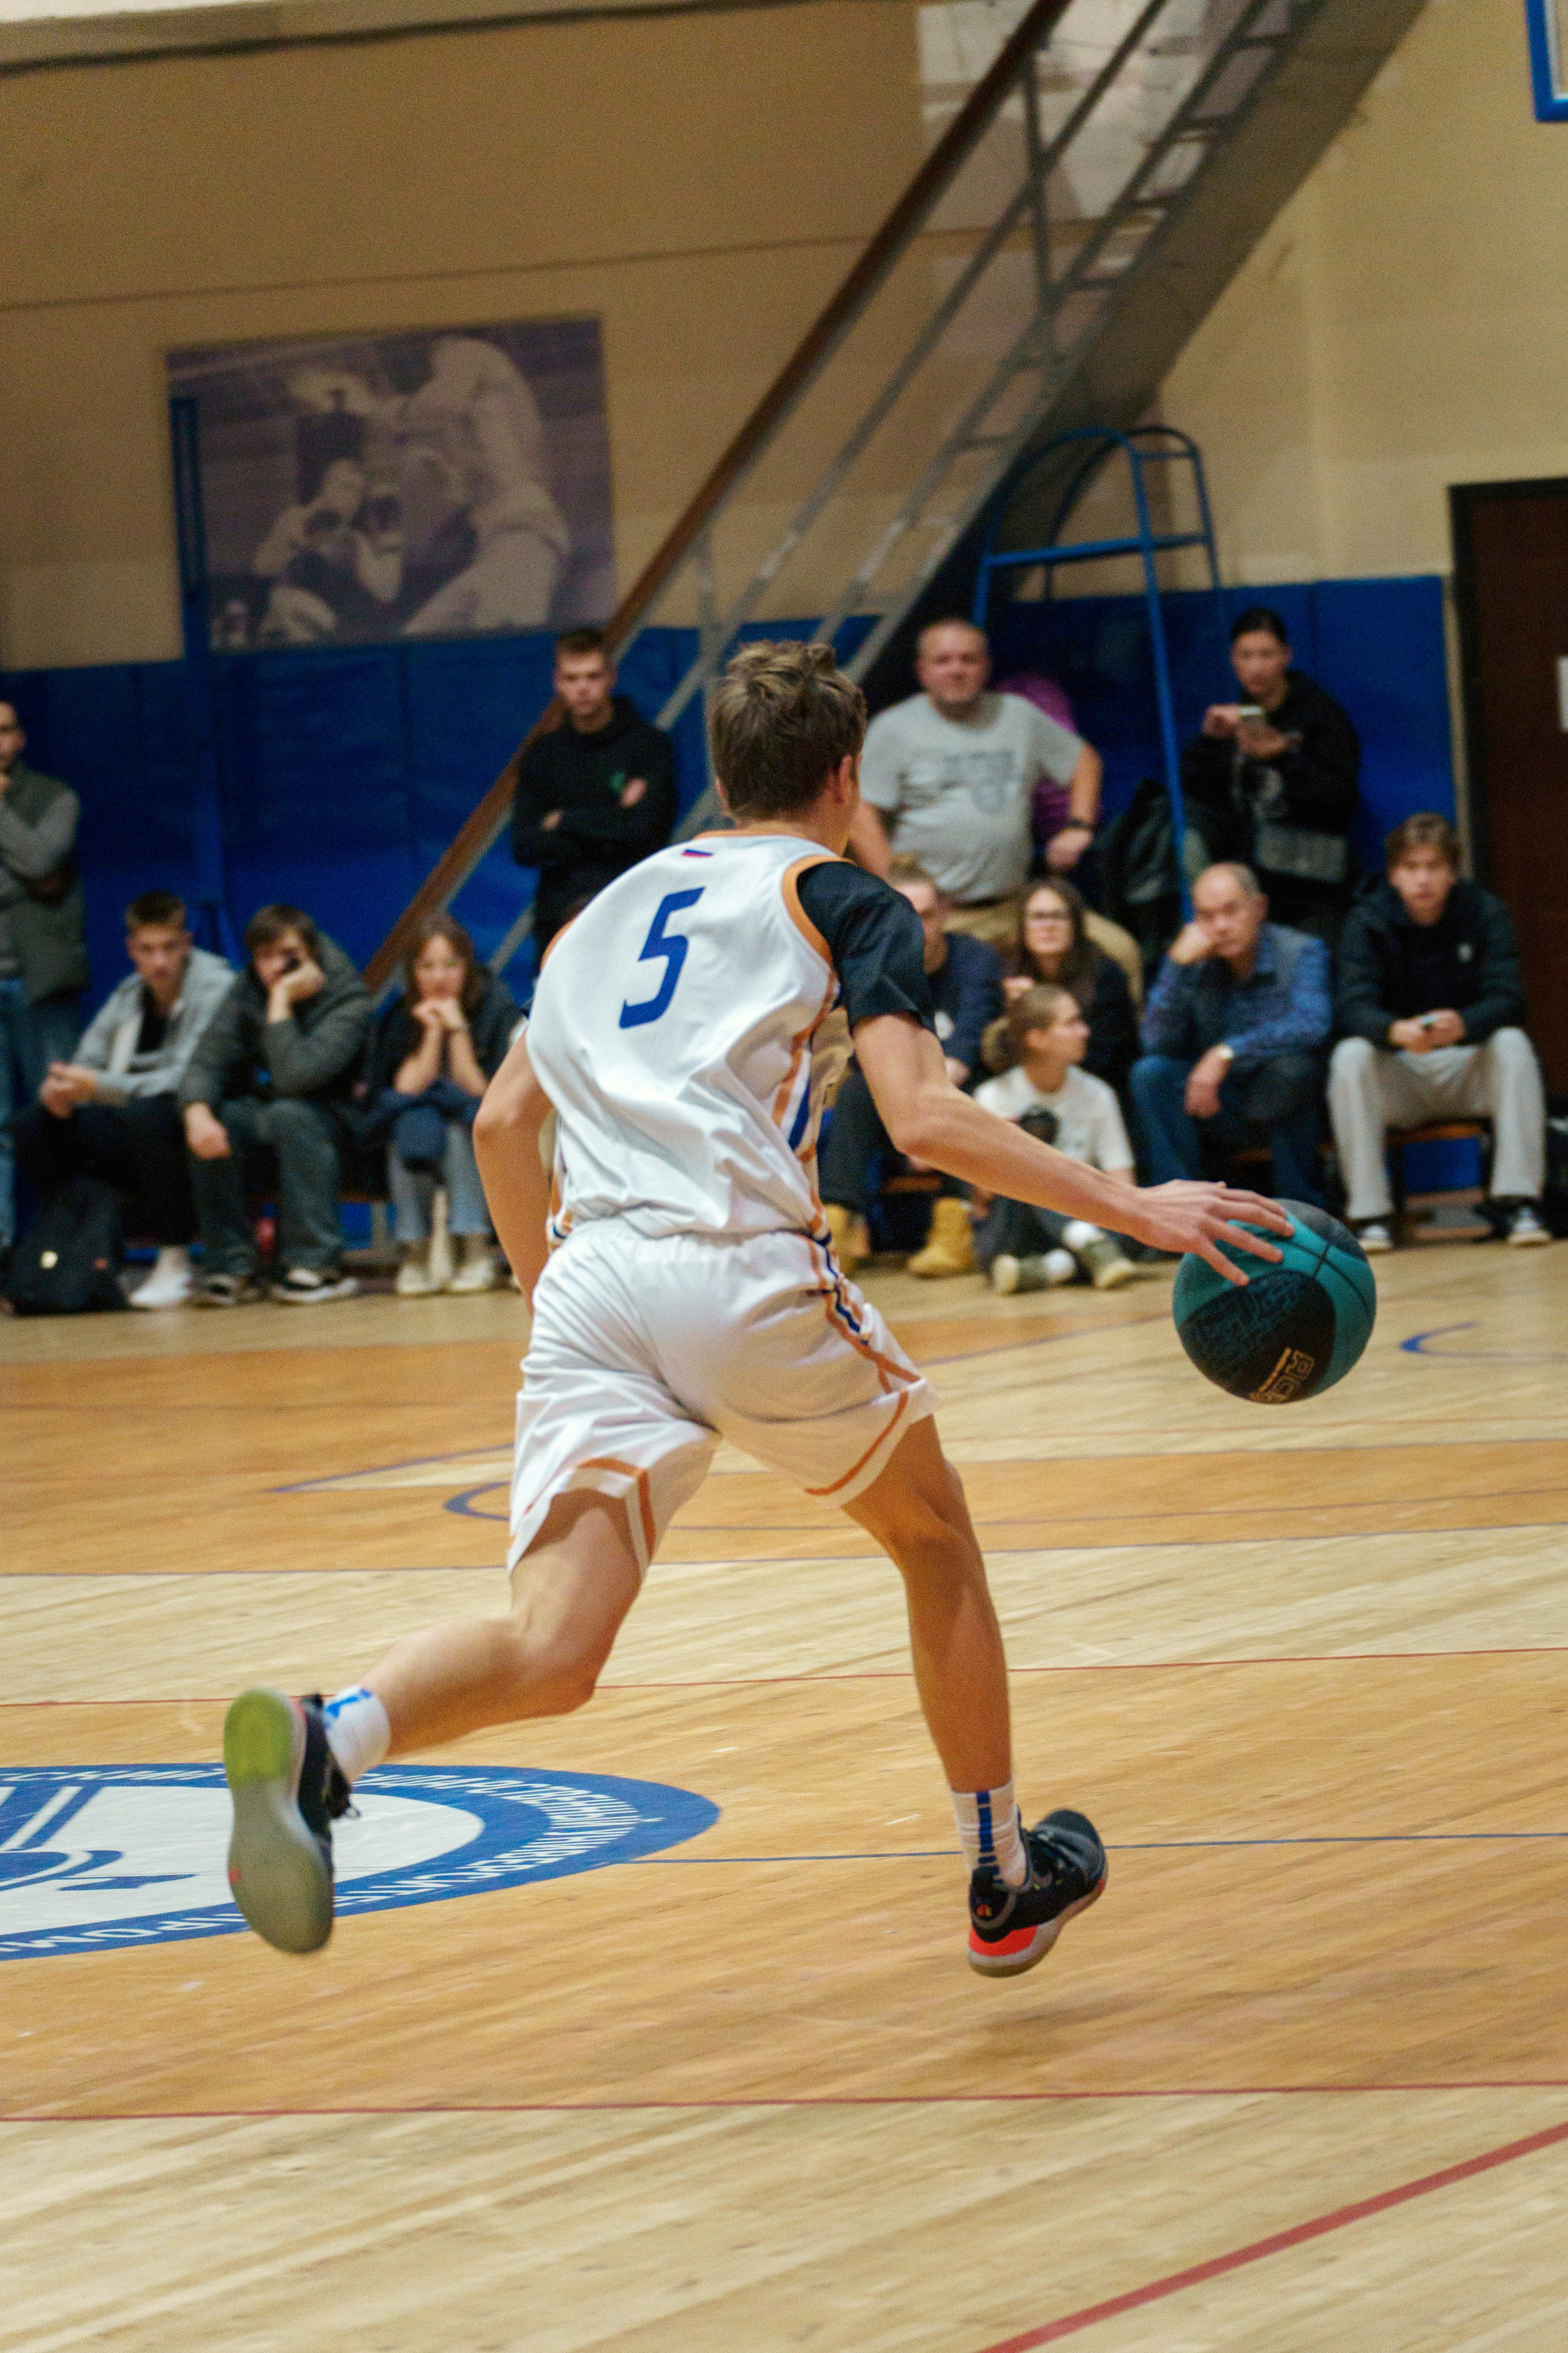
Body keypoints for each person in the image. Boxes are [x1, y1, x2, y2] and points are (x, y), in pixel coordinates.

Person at [219, 636, 1287, 1977]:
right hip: (734, 1263)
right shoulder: (849, 899)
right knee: (935, 1538)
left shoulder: (596, 914)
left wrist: (566, 1308)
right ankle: (1004, 1876)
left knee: (553, 1648)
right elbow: (923, 1119)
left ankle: (337, 1740)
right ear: (845, 776)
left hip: (592, 1278)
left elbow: (501, 1127)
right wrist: (1136, 1206)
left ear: (722, 777)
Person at [1329, 813, 1551, 1252]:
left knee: (1512, 1043)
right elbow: (1351, 1006)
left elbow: (1510, 998)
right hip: (1400, 1070)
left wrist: (1465, 1024)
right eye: (1412, 867)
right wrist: (1393, 1030)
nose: (1423, 879)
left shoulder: (1485, 913)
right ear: (1393, 874)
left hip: (1464, 1065)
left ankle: (1518, 1202)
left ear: (1452, 871)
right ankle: (1371, 1214)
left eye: (1434, 866)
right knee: (1350, 1056)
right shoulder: (1367, 921)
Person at [13, 892, 233, 1309]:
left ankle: (175, 1259)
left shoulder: (216, 985)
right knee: (34, 1125)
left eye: (170, 947)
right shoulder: (129, 993)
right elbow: (86, 1062)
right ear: (131, 949)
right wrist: (60, 1091)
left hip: (199, 1116)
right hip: (131, 1122)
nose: (159, 962)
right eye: (147, 950)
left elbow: (186, 1077)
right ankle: (78, 1250)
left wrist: (98, 1086)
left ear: (187, 943)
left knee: (149, 1114)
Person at [847, 619, 1102, 946]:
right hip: (939, 917)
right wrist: (897, 890)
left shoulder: (1018, 716)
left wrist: (1080, 825)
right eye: (943, 661)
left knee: (1118, 950)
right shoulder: (893, 728)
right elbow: (860, 812)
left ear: (986, 667)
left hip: (1016, 906)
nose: (956, 670)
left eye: (968, 659)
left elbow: (1085, 760)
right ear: (923, 671)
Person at [820, 856, 1003, 1278]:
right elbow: (864, 1055)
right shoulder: (870, 969)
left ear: (944, 914)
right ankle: (839, 1223)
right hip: (894, 1103)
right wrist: (908, 1113)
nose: (915, 927)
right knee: (856, 1091)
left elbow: (968, 1040)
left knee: (967, 1086)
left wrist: (923, 1115)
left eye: (924, 915)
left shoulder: (976, 960)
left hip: (956, 1093)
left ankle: (954, 1229)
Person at [181, 904, 371, 1305]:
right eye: (263, 956)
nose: (273, 967)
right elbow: (207, 1058)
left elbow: (295, 1078)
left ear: (312, 953)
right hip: (274, 1112)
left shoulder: (347, 998)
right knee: (221, 1118)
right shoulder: (248, 987)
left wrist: (281, 1000)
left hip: (342, 1120)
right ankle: (229, 1264)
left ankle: (316, 1264)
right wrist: (197, 1111)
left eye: (285, 954)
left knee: (292, 1114)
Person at [1131, 862, 1332, 1206]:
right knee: (1151, 1075)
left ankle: (1301, 1212)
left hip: (1288, 1100)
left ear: (1259, 908)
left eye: (1230, 911)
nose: (1220, 927)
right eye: (1206, 917)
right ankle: (1183, 1211)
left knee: (1292, 1072)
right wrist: (1176, 967)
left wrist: (1226, 1052)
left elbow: (1311, 1025)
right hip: (1218, 1102)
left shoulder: (1301, 951)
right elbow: (1155, 1042)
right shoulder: (1194, 961)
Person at [1180, 606, 1360, 942]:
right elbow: (1201, 794)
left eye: (1267, 655)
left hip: (1315, 878)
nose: (1257, 667)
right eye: (1246, 656)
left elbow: (1340, 802)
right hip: (1259, 876)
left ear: (1286, 657)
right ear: (1233, 660)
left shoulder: (1319, 713)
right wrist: (1207, 743)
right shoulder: (1244, 712)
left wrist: (1284, 754)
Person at [364, 915, 520, 1294]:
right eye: (427, 966)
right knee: (411, 1128)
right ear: (412, 972)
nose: (439, 977)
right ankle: (414, 1252)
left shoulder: (496, 1006)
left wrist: (458, 1030)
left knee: (457, 1132)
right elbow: (404, 1092)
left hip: (480, 1128)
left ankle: (474, 1248)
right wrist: (433, 1033)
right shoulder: (400, 1017)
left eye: (451, 964)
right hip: (418, 1129)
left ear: (468, 965)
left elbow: (488, 1094)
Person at [511, 628, 680, 951]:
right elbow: (524, 845)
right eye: (572, 678)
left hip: (635, 912)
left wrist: (562, 821)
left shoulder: (650, 747)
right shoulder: (543, 756)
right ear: (557, 682)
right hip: (558, 921)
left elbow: (648, 832)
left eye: (592, 676)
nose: (583, 688)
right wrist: (614, 823)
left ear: (611, 678)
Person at [971, 986, 1138, 1296]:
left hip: (1082, 1215)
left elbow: (1122, 1181)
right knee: (1031, 1169)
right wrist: (1003, 1151)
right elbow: (982, 1200)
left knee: (1132, 1228)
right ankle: (1086, 1246)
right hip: (1012, 1233)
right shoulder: (994, 1096)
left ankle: (1048, 1269)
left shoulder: (1098, 1094)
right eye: (1071, 1023)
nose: (1085, 1031)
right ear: (1038, 1039)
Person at [0, 701, 88, 1253]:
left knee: (59, 1112)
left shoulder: (55, 797)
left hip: (42, 982)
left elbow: (39, 858)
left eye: (4, 729)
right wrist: (30, 881)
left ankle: (74, 1243)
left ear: (21, 737)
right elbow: (34, 874)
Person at [995, 878, 1139, 1093]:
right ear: (1022, 926)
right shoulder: (1005, 973)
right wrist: (1016, 1016)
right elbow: (995, 1057)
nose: (1048, 925)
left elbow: (1111, 1057)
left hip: (1095, 1087)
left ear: (1076, 925)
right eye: (1038, 917)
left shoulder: (1106, 975)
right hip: (1024, 1089)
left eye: (1059, 916)